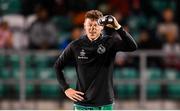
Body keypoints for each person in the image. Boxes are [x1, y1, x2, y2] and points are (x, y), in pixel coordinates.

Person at [54, 10, 137, 110]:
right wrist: (66, 88)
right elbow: (57, 66)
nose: (92, 28)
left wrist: (117, 27)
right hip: (82, 104)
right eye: (89, 25)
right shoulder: (75, 45)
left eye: (95, 25)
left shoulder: (110, 42)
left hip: (105, 104)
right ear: (84, 26)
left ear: (102, 27)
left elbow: (132, 46)